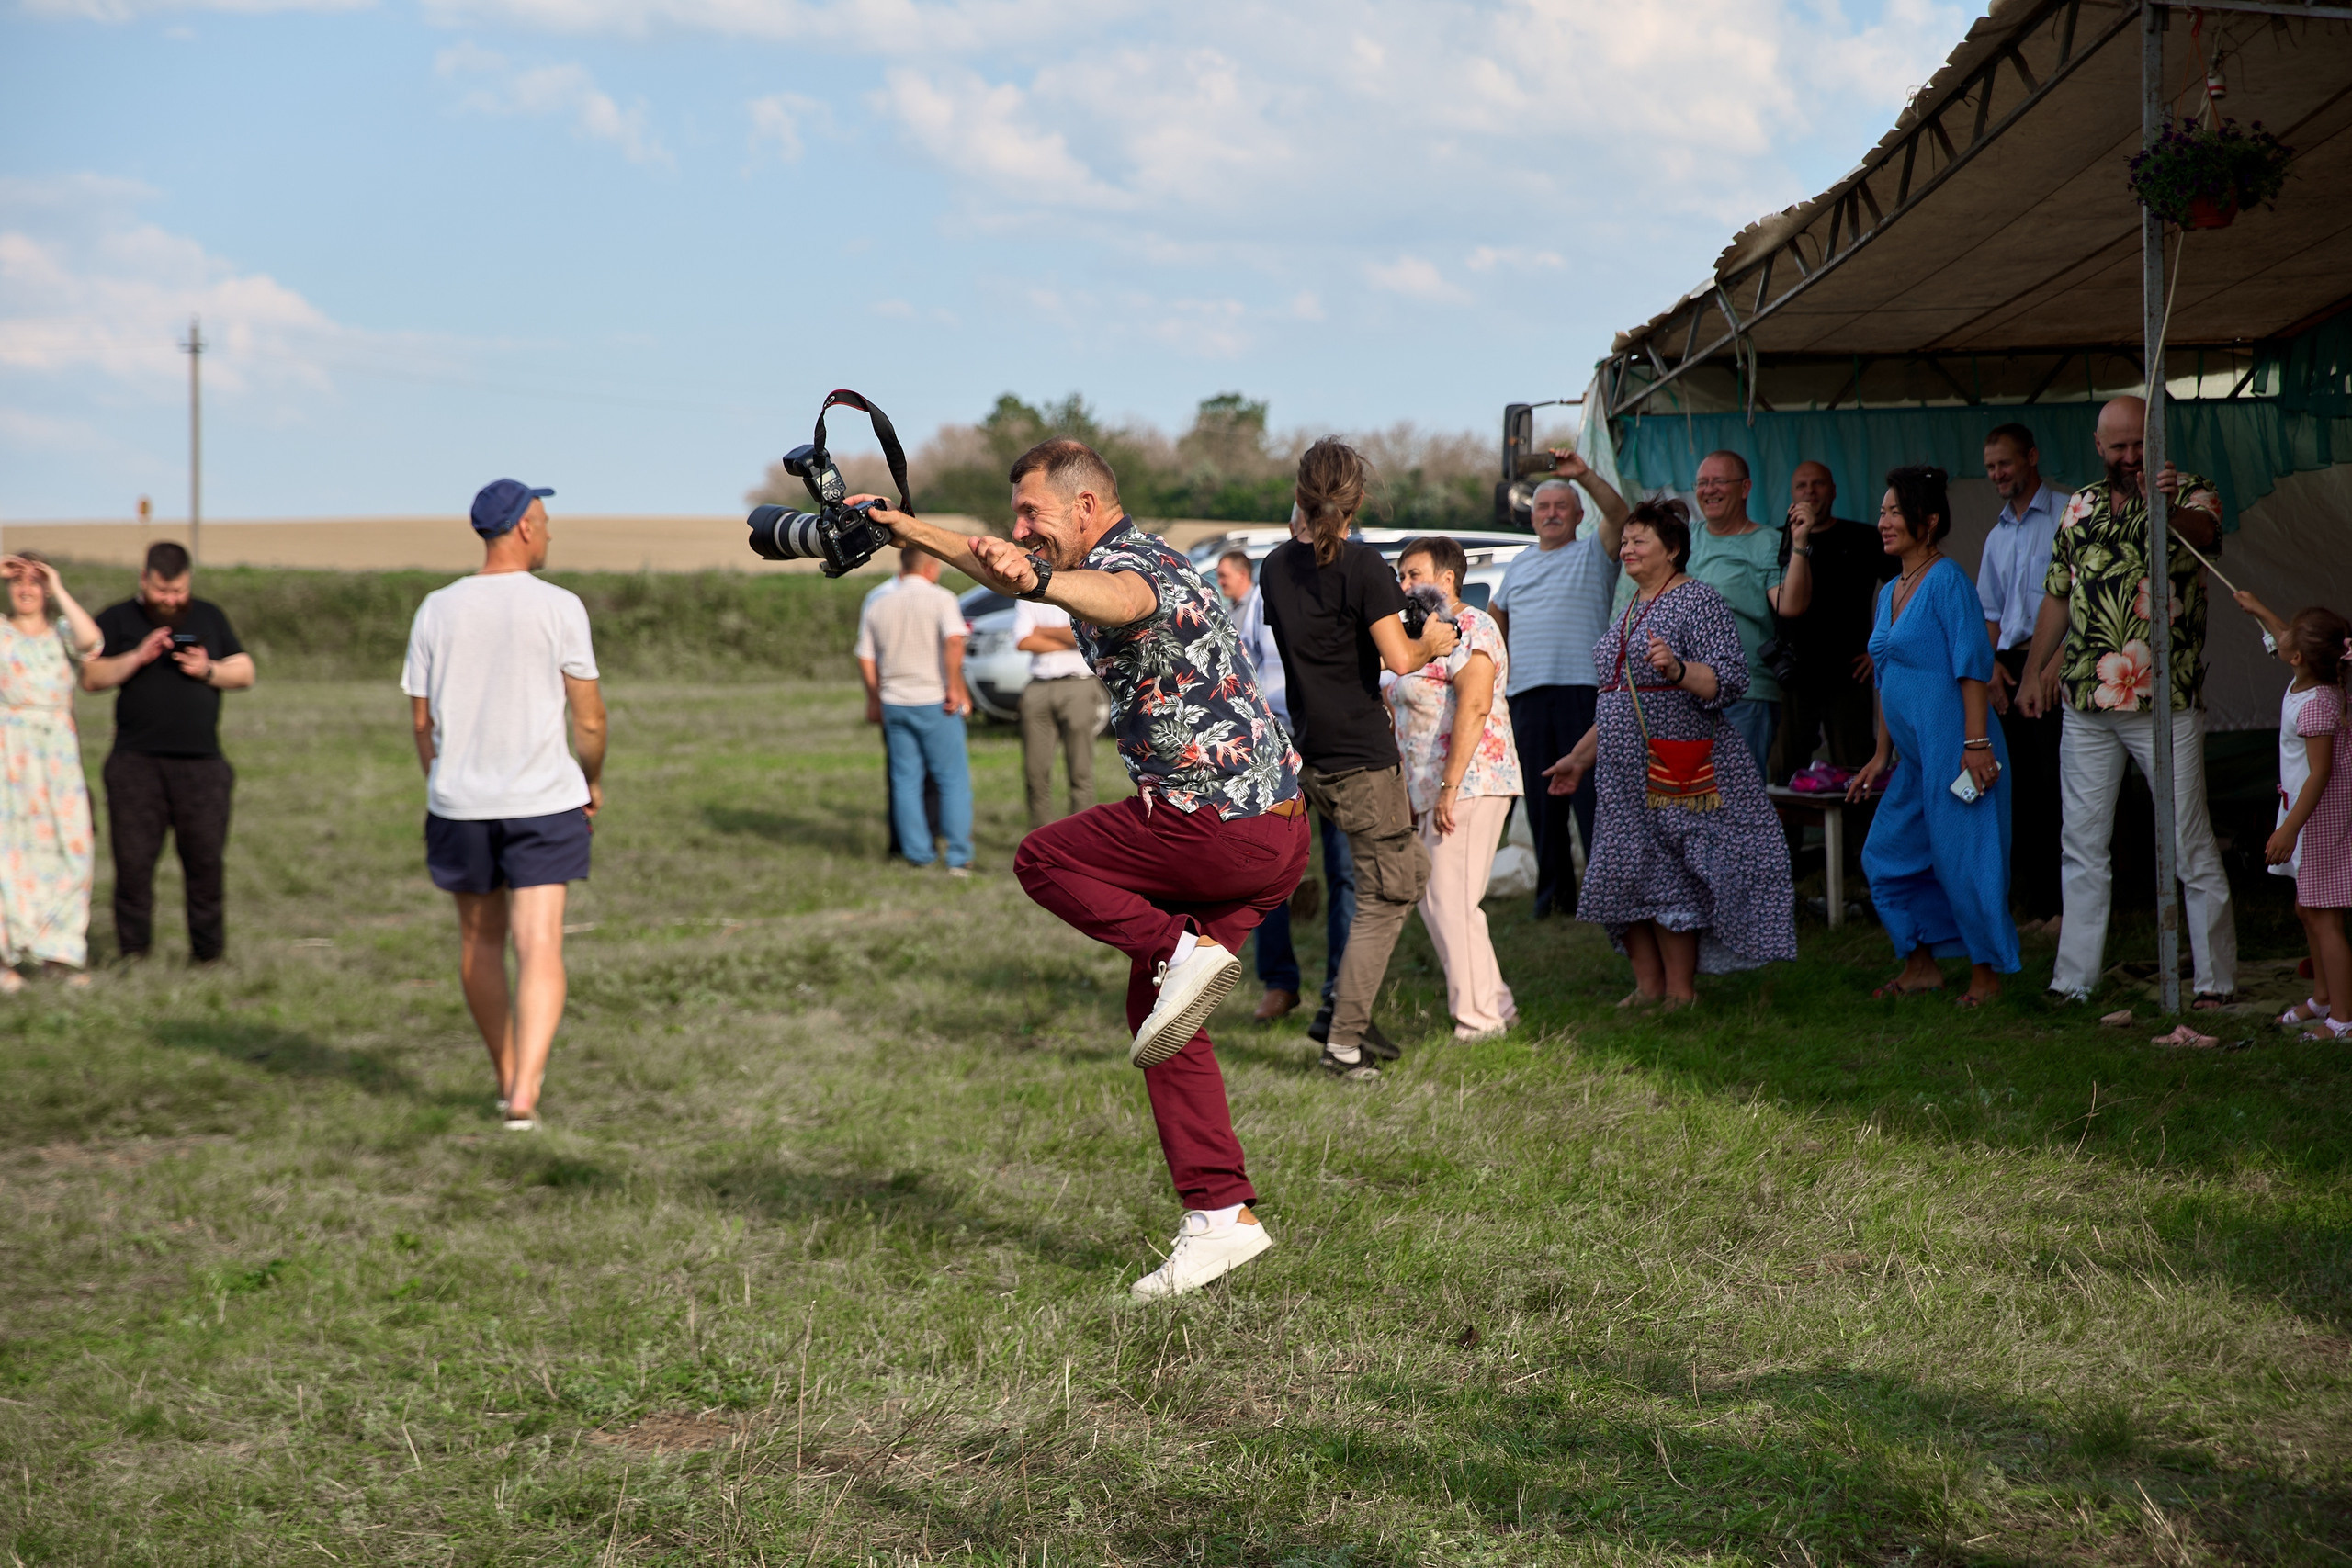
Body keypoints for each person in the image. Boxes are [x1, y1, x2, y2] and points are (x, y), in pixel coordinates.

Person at [857, 439, 1306, 1300]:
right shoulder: (1130, 556)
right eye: (1014, 514)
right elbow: (1015, 572)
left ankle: (1180, 949)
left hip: (1217, 827)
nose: (1020, 528)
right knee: (1159, 1011)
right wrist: (898, 526)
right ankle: (1221, 1218)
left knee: (1043, 855)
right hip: (1273, 834)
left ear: (1089, 509)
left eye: (1033, 514)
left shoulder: (1135, 569)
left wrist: (1032, 581)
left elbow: (1118, 600)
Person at [2019, 395, 2238, 1005]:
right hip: (2087, 701)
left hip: (2162, 701)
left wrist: (2160, 503)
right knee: (2083, 844)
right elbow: (2057, 594)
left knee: (2189, 842)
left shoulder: (2192, 492)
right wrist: (2034, 669)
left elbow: (2203, 536)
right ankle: (2073, 981)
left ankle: (2216, 981)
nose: (2130, 456)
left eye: (2140, 443)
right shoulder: (2080, 504)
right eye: (2118, 446)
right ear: (2098, 446)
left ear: (2159, 440)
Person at [401, 479, 606, 1132]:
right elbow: (590, 717)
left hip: (460, 802)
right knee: (539, 941)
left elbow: (420, 719)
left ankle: (505, 1073)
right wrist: (592, 777)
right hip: (544, 799)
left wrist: (442, 778)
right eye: (544, 521)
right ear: (521, 528)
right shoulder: (560, 606)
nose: (549, 533)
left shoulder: (436, 608)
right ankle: (526, 1090)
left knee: (478, 941)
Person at [1260, 439, 1460, 1079]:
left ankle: (1345, 1010)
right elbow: (1399, 660)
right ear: (1359, 501)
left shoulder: (1273, 567)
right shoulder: (1363, 564)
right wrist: (1433, 637)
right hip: (1361, 756)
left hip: (1312, 751)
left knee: (1392, 877)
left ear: (1299, 495)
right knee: (1392, 885)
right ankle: (1343, 1035)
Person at [1544, 500, 1796, 1004]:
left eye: (1640, 541)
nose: (1627, 548)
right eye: (1626, 540)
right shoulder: (1630, 605)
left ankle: (1680, 992)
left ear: (1674, 549)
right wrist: (1577, 757)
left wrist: (1679, 670)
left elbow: (1729, 679)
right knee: (1619, 871)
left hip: (1677, 767)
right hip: (1619, 775)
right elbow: (1617, 698)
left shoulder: (1698, 600)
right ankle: (1647, 986)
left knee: (1669, 876)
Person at [1846, 466, 2019, 1005]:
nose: (1884, 521)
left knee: (1965, 860)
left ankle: (1986, 976)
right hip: (1916, 759)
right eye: (1882, 511)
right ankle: (1920, 965)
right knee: (1886, 856)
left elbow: (1972, 666)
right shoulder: (1890, 591)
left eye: (1896, 511)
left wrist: (1975, 745)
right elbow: (1886, 677)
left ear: (1929, 521)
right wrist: (1881, 753)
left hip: (1959, 750)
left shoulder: (1947, 581)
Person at [81, 541, 256, 964]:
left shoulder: (209, 616)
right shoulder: (118, 618)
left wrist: (208, 669)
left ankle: (208, 956)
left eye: (179, 591)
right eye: (163, 591)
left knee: (205, 865)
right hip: (135, 764)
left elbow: (246, 672)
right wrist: (138, 656)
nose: (172, 600)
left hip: (203, 766)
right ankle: (134, 954)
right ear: (144, 579)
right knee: (134, 865)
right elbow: (91, 676)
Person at [1391, 536, 1522, 1041]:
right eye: (1401, 575)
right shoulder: (1420, 633)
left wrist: (1449, 786)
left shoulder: (1473, 625)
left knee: (1451, 899)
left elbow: (1474, 705)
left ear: (1447, 579)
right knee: (1439, 899)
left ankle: (1478, 1022)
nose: (1404, 584)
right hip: (1431, 788)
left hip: (1471, 781)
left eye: (1413, 574)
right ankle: (1498, 1007)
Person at [1489, 451, 1627, 919]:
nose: (1550, 514)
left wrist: (1583, 475)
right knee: (1542, 803)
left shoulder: (1593, 550)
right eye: (1543, 507)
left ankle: (1606, 895)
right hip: (1526, 695)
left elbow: (1620, 515)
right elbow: (1496, 620)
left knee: (1590, 798)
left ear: (1578, 516)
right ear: (1533, 517)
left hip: (1583, 692)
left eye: (1560, 506)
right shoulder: (1519, 565)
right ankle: (1553, 899)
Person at [1230, 547, 1358, 1025]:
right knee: (1269, 868)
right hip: (1277, 743)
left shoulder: (1357, 581)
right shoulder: (1267, 594)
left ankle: (1340, 989)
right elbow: (1243, 667)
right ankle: (1280, 982)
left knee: (1345, 870)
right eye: (1299, 525)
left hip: (1341, 743)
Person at [2232, 592, 2352, 1040]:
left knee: (2325, 916)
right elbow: (2285, 637)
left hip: (2320, 818)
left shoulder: (2319, 701)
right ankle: (2323, 999)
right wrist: (2257, 607)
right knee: (2307, 908)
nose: (2280, 640)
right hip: (2305, 813)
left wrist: (2288, 827)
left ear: (2298, 656)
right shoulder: (2308, 676)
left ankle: (2343, 1020)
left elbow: (2320, 775)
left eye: (2289, 638)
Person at [1977, 423, 2067, 933]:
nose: (1996, 474)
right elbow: (1990, 611)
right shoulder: (1996, 534)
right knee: (2020, 791)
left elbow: (2081, 600)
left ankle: (2064, 906)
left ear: (2031, 457)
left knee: (2055, 785)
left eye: (2004, 464)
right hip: (2009, 667)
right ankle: (2036, 907)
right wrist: (1989, 667)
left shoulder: (2067, 513)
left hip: (2055, 659)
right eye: (1990, 466)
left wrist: (2052, 666)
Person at [0, 554, 101, 988]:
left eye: (34, 583)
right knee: (11, 852)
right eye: (17, 581)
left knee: (71, 848)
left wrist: (58, 585)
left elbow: (92, 641)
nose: (25, 589)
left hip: (57, 756)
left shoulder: (61, 634)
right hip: (10, 753)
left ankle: (58, 952)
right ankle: (6, 956)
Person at [1770, 460, 1896, 775]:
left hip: (1849, 674)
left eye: (1818, 484)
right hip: (1792, 677)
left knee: (1856, 769)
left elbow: (1907, 587)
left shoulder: (1866, 537)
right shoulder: (1776, 540)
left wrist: (1883, 647)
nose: (1810, 492)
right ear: (1792, 494)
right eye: (1802, 486)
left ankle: (1856, 827)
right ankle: (1787, 829)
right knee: (1783, 773)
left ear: (1834, 490)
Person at [855, 548, 974, 874]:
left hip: (894, 700)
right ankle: (958, 856)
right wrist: (954, 686)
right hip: (934, 698)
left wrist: (874, 697)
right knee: (951, 780)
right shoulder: (942, 599)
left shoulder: (877, 600)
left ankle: (917, 854)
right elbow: (954, 642)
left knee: (905, 780)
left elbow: (865, 656)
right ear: (931, 568)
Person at [1677, 451, 1785, 778]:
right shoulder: (1684, 538)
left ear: (1745, 488)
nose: (1709, 490)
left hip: (1744, 693)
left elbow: (1789, 606)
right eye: (1702, 482)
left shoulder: (1768, 541)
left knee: (1738, 799)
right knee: (1691, 802)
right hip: (1684, 691)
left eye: (1719, 481)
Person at [1012, 590, 1095, 829]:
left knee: (1080, 770)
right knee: (1035, 773)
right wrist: (1068, 639)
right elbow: (1022, 640)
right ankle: (1041, 840)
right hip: (1038, 685)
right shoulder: (1027, 595)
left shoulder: (1079, 592)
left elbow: (1084, 635)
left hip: (1078, 685)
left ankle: (1083, 839)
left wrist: (1042, 631)